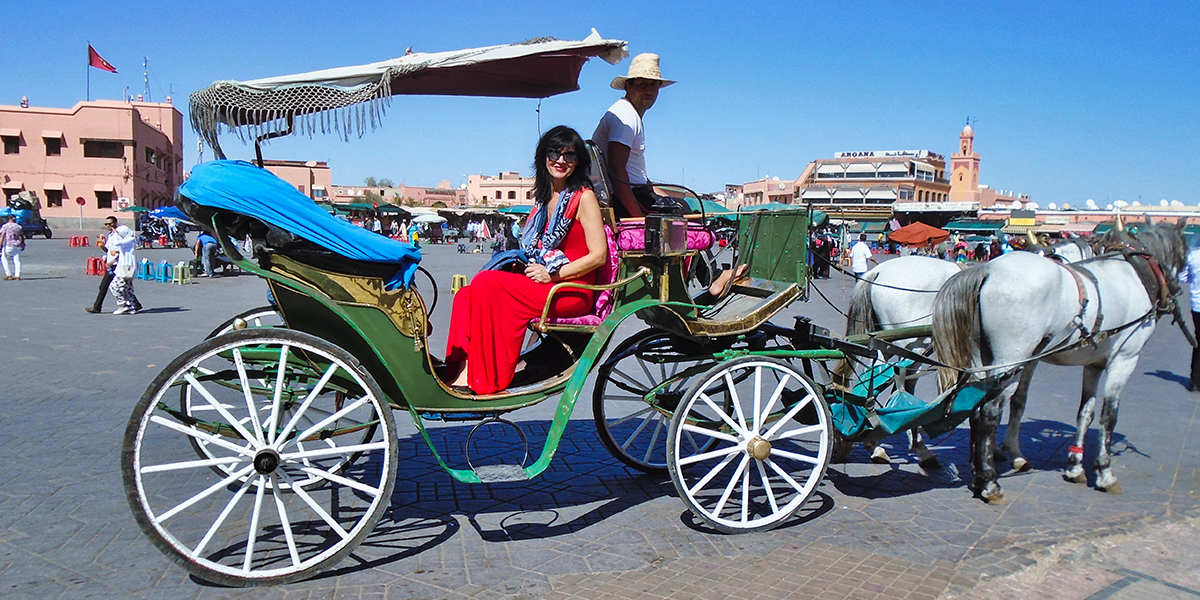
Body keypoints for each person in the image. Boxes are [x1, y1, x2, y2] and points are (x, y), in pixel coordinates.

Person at [445, 126, 607, 394]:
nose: (561, 160)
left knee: (486, 282)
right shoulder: (544, 199)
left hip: (570, 289)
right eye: (554, 152)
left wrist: (552, 275)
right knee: (466, 295)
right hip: (546, 283)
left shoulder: (583, 197)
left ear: (578, 161)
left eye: (569, 155)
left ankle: (488, 377)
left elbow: (598, 255)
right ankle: (463, 370)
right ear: (544, 156)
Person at [591, 53, 675, 219]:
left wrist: (666, 198)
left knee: (681, 206)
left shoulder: (629, 114)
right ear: (628, 86)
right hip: (625, 198)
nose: (649, 90)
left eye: (653, 85)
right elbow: (616, 169)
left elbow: (637, 176)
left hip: (636, 192)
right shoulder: (625, 116)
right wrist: (638, 217)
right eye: (642, 84)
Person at [86, 216, 142, 314]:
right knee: (125, 286)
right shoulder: (111, 235)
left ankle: (100, 306)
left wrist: (112, 261)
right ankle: (135, 305)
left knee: (108, 285)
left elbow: (120, 250)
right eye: (106, 224)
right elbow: (108, 250)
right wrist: (101, 245)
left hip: (117, 264)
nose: (108, 226)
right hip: (113, 263)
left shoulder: (121, 235)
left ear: (115, 223)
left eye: (110, 223)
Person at [107, 225, 141, 314]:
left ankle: (123, 305)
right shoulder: (126, 240)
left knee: (114, 286)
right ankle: (133, 306)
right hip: (123, 266)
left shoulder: (130, 239)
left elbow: (116, 243)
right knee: (127, 288)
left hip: (127, 268)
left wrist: (115, 234)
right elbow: (116, 247)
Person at [1181, 240, 1200, 392]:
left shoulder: (1193, 255)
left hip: (1197, 304)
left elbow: (1182, 277)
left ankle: (1195, 379)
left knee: (1198, 339)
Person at [1, 214, 24, 281]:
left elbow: (2, 236)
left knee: (4, 258)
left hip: (9, 245)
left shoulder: (5, 226)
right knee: (17, 260)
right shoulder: (18, 226)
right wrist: (23, 243)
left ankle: (8, 274)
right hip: (18, 245)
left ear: (9, 219)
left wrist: (0, 244)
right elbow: (22, 236)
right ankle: (17, 275)